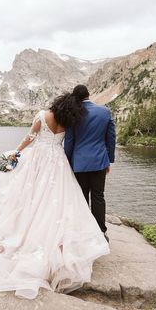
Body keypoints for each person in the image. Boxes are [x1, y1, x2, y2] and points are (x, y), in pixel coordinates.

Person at [0, 89, 110, 300]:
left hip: (38, 160)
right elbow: (68, 143)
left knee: (31, 197)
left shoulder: (43, 116)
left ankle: (23, 231)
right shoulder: (67, 122)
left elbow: (31, 136)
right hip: (58, 161)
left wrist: (16, 151)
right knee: (58, 199)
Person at [64, 85, 116, 242]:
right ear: (88, 94)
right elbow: (111, 139)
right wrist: (109, 160)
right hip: (99, 162)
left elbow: (69, 141)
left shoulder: (75, 113)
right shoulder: (104, 111)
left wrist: (67, 161)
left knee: (82, 197)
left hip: (79, 163)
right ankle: (101, 232)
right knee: (98, 197)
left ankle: (83, 231)